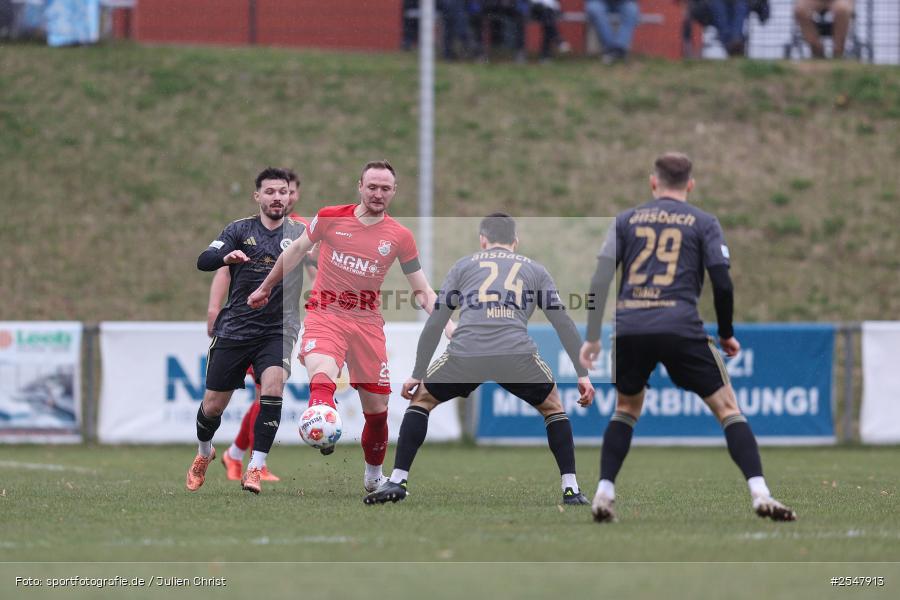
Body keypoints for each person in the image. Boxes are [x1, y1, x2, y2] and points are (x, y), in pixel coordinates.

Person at [579, 152, 796, 523]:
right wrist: (726, 333)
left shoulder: (625, 221)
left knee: (626, 409)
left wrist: (593, 336)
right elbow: (722, 283)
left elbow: (600, 281)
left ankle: (604, 491)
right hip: (680, 326)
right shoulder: (704, 222)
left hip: (631, 327)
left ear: (653, 182)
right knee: (728, 409)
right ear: (690, 185)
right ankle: (760, 493)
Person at [247, 160, 454, 494]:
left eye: (385, 188)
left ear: (394, 192)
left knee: (377, 411)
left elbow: (422, 289)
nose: (378, 193)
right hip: (325, 313)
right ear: (360, 186)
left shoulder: (400, 236)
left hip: (367, 324)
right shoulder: (330, 217)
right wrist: (265, 287)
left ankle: (374, 476)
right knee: (322, 375)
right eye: (372, 186)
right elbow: (297, 251)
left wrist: (447, 323)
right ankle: (322, 422)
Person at [364, 213, 596, 506]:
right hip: (515, 353)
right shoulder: (535, 270)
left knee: (421, 400)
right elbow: (563, 322)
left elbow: (437, 322)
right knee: (553, 408)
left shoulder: (464, 265)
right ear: (516, 241)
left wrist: (417, 372)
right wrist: (582, 373)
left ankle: (397, 480)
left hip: (466, 352)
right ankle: (571, 489)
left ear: (483, 240)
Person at [188, 167, 309, 495]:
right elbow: (204, 259)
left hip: (278, 329)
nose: (277, 198)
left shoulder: (301, 232)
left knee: (273, 387)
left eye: (282, 192)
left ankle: (255, 466)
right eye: (270, 192)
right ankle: (204, 453)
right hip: (236, 328)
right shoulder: (239, 229)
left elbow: (326, 263)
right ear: (258, 196)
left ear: (290, 196)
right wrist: (224, 256)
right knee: (213, 406)